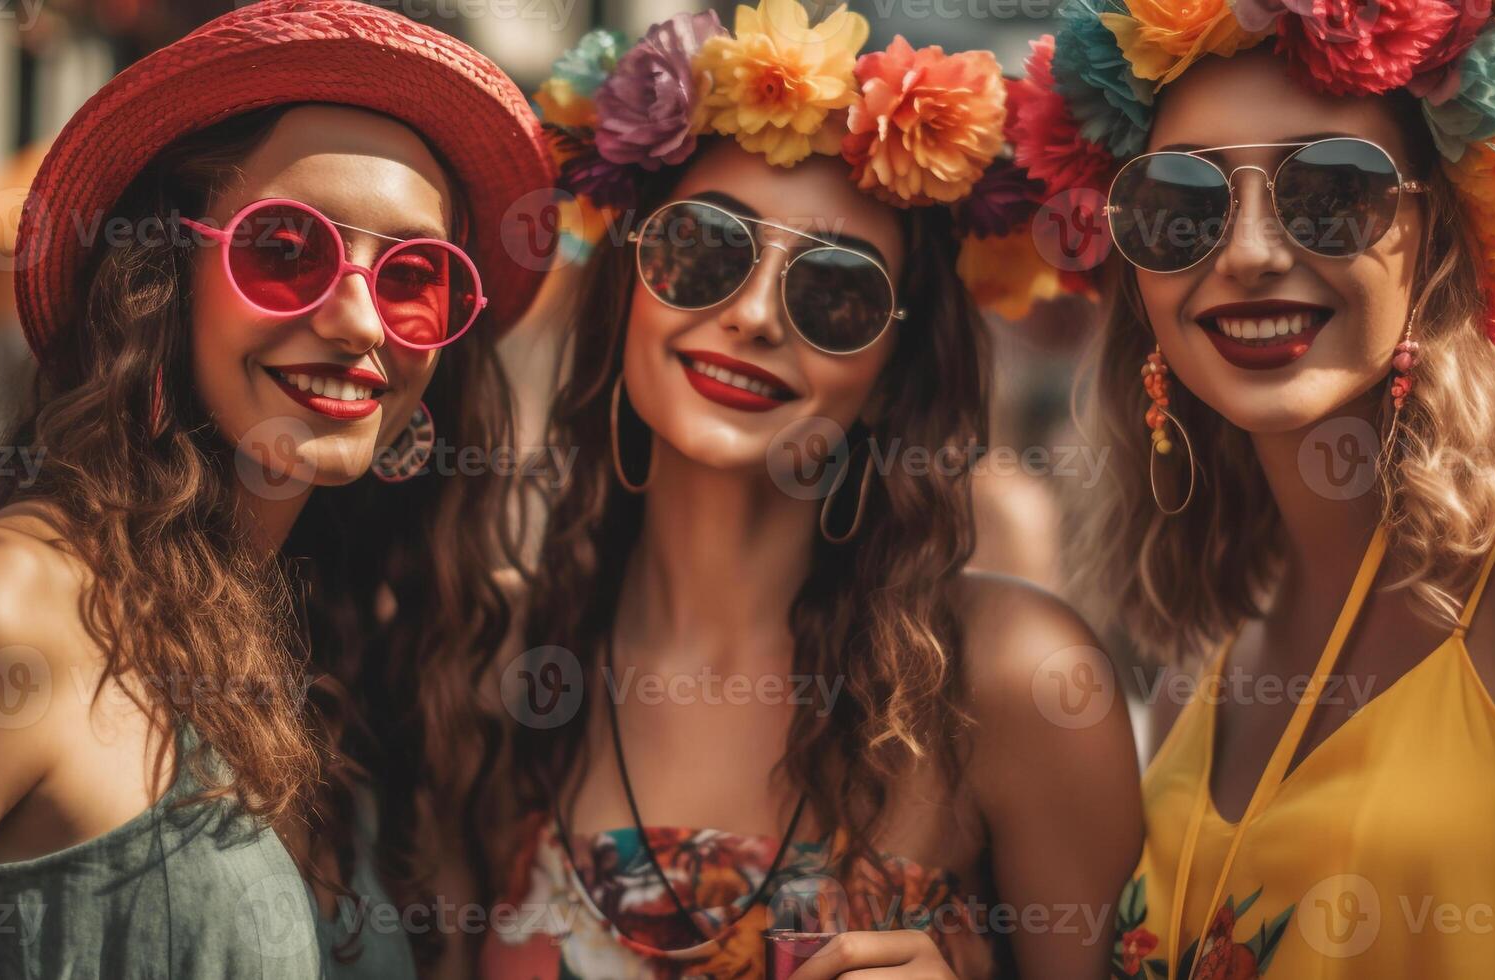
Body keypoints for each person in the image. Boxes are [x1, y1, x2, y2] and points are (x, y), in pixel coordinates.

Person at [462, 4, 1144, 977]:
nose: (748, 315)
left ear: (890, 376)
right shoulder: (506, 668)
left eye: (835, 293)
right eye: (701, 249)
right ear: (625, 292)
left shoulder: (1011, 680)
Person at [0, 3, 555, 977]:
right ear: (164, 274)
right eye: (285, 248)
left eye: (414, 275)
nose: (361, 318)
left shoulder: (359, 659)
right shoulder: (3, 605)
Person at [1002, 1, 1495, 975]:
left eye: (1329, 190)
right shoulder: (1211, 653)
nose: (1245, 253)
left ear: (1439, 237)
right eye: (1181, 206)